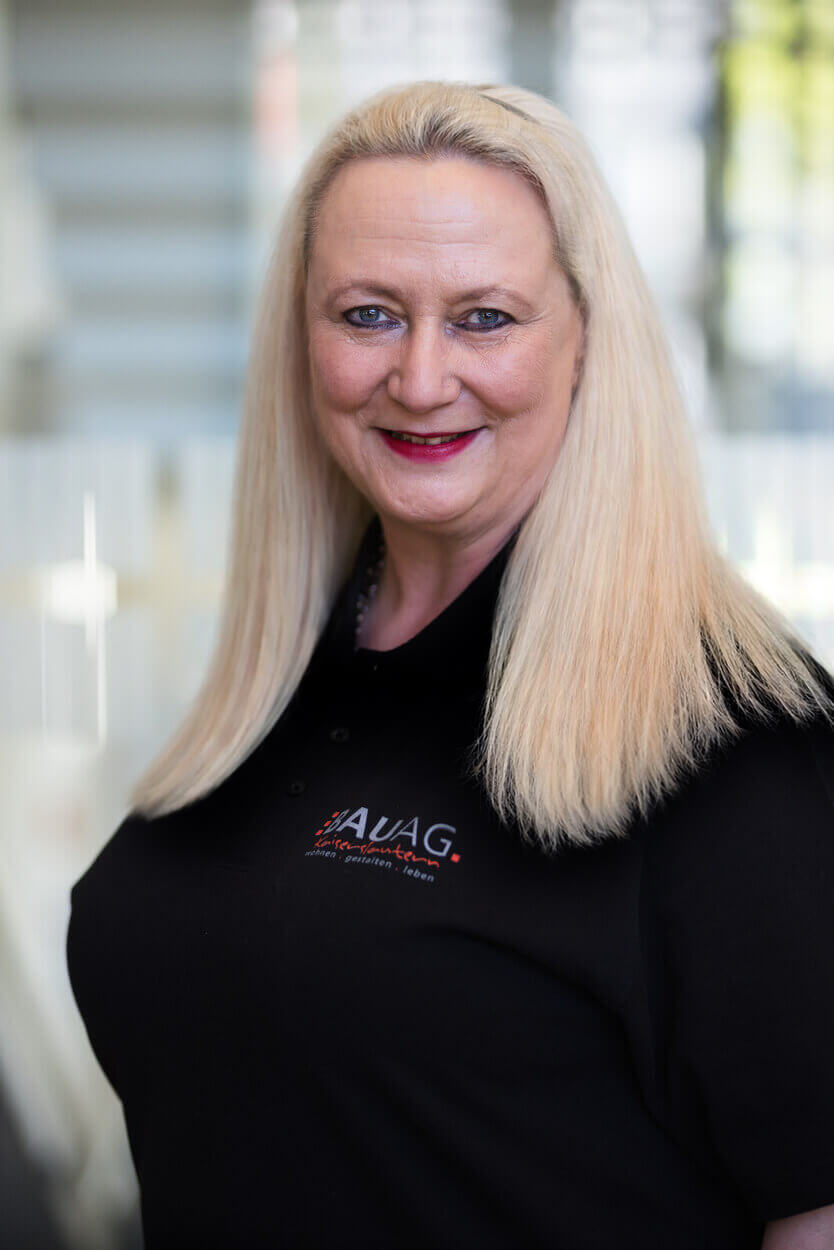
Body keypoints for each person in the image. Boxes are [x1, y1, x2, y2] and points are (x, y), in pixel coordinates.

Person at [66, 81, 834, 1250]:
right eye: (369, 314)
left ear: (587, 341)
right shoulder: (286, 673)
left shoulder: (738, 744)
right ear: (302, 338)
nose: (422, 380)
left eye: (485, 318)